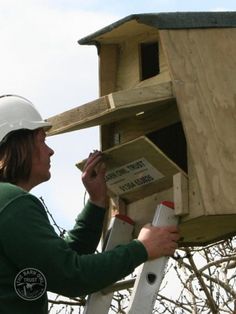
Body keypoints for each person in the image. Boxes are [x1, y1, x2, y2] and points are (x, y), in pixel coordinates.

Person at [0, 95, 180, 314]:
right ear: (18, 144)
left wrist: (95, 203)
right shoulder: (12, 203)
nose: (50, 150)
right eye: (42, 140)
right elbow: (72, 275)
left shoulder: (7, 205)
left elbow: (57, 259)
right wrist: (141, 249)